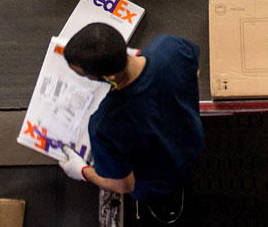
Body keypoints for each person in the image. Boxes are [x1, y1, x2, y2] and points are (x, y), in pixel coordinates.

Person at [58, 23, 204, 224]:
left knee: (163, 197)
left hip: (157, 183)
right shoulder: (171, 47)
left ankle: (166, 208)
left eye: (83, 75)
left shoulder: (105, 125)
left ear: (109, 77)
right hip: (193, 143)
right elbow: (194, 71)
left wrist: (83, 172)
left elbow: (124, 186)